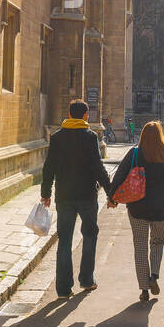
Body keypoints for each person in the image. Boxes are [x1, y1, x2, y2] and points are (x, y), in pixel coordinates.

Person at [41, 99, 112, 299]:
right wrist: (110, 192)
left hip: (64, 196)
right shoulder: (89, 137)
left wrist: (46, 193)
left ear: (69, 114)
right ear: (85, 116)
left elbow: (49, 168)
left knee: (64, 240)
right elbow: (97, 167)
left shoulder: (57, 137)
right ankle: (86, 280)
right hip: (87, 196)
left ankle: (63, 289)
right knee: (89, 237)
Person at [106, 121, 164, 301]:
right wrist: (162, 187)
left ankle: (144, 289)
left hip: (138, 206)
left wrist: (112, 198)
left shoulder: (134, 154)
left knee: (140, 246)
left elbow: (119, 177)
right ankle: (154, 276)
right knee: (157, 242)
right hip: (160, 207)